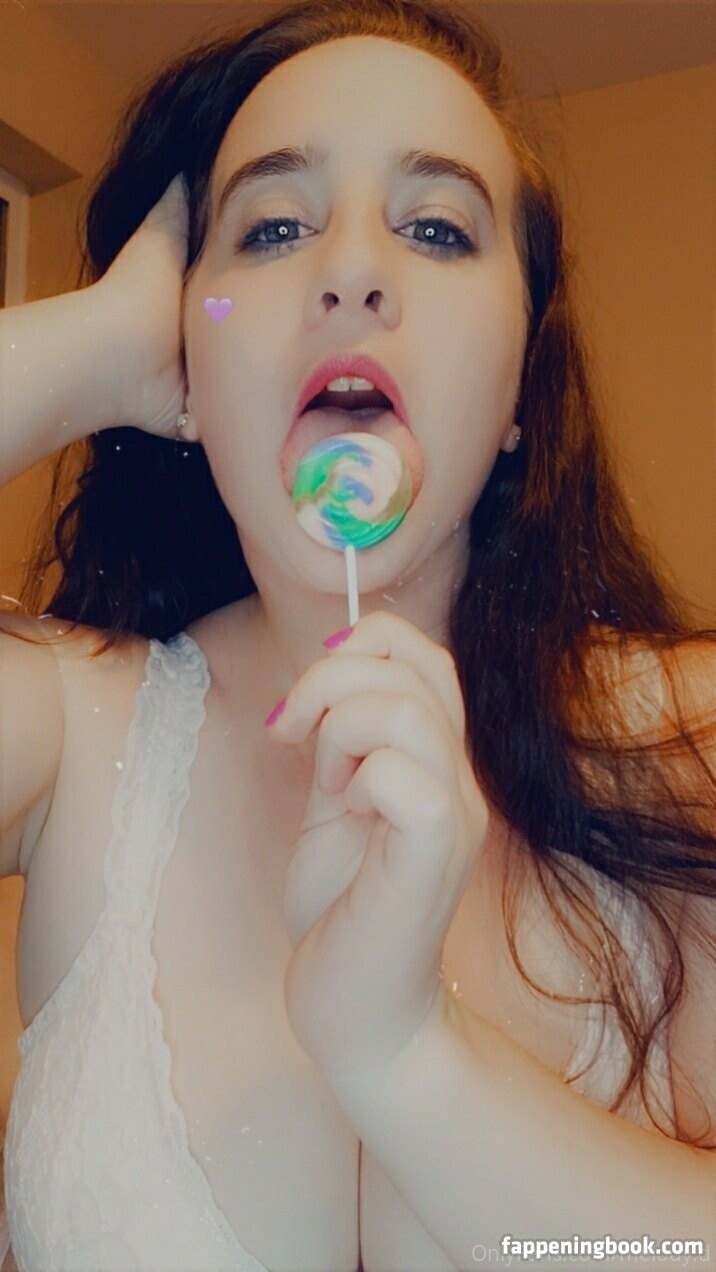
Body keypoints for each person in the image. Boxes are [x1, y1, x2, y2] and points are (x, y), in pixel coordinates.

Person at [0, 0, 714, 1267]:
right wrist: (100, 345)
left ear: (517, 388)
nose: (350, 269)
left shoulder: (690, 741)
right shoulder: (68, 723)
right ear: (185, 357)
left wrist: (407, 1057)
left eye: (435, 228)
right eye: (272, 228)